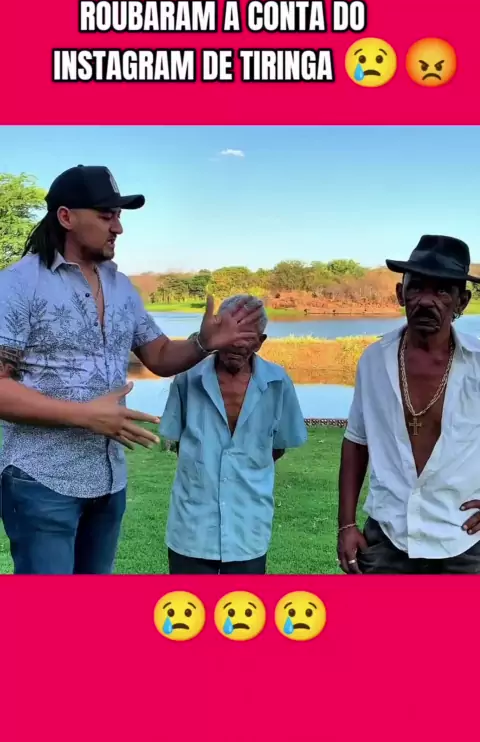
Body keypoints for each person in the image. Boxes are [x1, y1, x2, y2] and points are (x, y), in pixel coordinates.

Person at [0, 165, 262, 575]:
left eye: (119, 216)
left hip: (109, 484)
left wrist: (204, 342)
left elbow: (159, 355)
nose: (118, 228)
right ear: (66, 216)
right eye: (107, 216)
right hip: (40, 481)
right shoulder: (18, 285)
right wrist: (84, 416)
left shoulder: (121, 286)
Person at [337, 234, 480, 575]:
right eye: (417, 288)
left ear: (461, 301)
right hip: (389, 533)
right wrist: (346, 524)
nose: (426, 301)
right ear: (401, 294)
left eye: (442, 291)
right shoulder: (374, 360)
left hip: (462, 536)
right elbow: (357, 441)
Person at [159, 294, 308, 574]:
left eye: (247, 337)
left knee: (243, 602)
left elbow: (278, 447)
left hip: (248, 525)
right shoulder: (188, 377)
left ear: (260, 342)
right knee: (188, 602)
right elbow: (179, 443)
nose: (237, 344)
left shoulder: (278, 383)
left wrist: (243, 467)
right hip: (192, 525)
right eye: (231, 334)